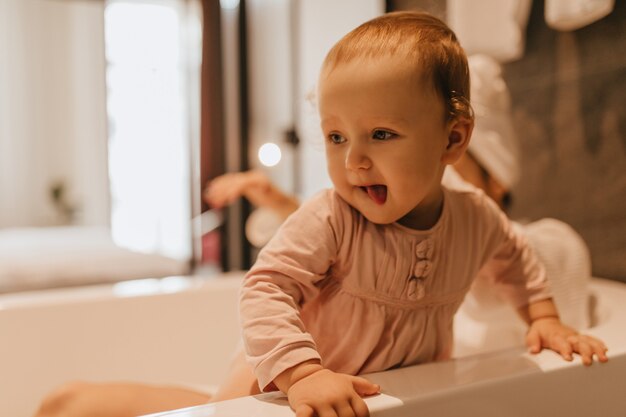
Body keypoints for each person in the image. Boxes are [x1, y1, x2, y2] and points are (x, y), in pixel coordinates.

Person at [34, 11, 608, 417]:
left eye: (380, 134)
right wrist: (303, 373)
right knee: (208, 412)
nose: (353, 159)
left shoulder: (477, 218)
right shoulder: (332, 216)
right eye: (335, 137)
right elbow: (265, 289)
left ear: (453, 139)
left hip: (366, 395)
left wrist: (543, 316)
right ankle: (82, 403)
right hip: (279, 387)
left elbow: (515, 258)